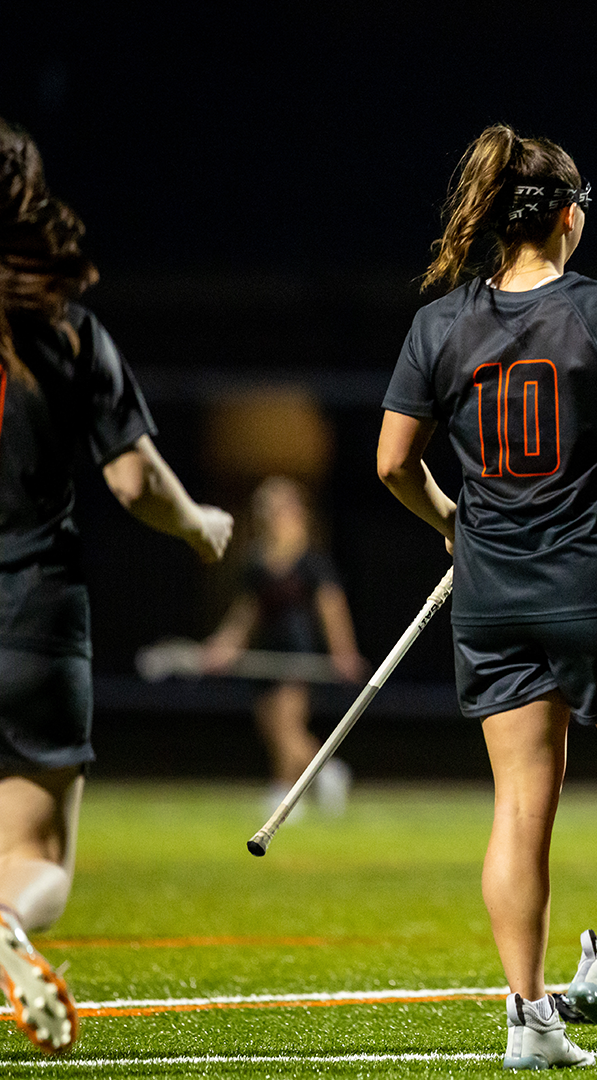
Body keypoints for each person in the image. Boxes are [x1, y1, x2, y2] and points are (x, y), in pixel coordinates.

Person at [375, 124, 597, 1070]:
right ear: (567, 213)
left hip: (493, 593)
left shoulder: (438, 322)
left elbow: (395, 463)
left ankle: (530, 1022)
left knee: (521, 805)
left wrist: (454, 522)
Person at [0, 116, 234, 1055]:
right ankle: (7, 922)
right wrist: (200, 525)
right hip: (32, 616)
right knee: (36, 857)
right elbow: (134, 479)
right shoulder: (65, 331)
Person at [202, 476, 365, 814]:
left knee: (288, 727)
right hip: (266, 653)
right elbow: (246, 614)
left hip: (298, 652)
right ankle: (328, 771)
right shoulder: (256, 562)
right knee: (272, 728)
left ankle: (284, 795)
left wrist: (344, 652)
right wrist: (224, 647)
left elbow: (332, 608)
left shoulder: (312, 561)